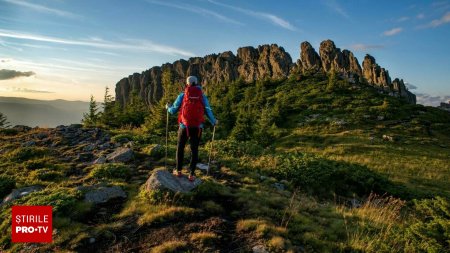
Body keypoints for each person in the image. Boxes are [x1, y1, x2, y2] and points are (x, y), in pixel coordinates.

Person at [166, 76, 217, 181]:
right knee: (194, 149)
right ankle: (192, 174)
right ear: (197, 83)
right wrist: (214, 121)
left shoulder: (182, 95)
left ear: (187, 83)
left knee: (180, 148)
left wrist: (168, 107)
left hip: (184, 127)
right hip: (198, 127)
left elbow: (173, 111)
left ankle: (178, 171)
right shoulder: (202, 96)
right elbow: (208, 110)